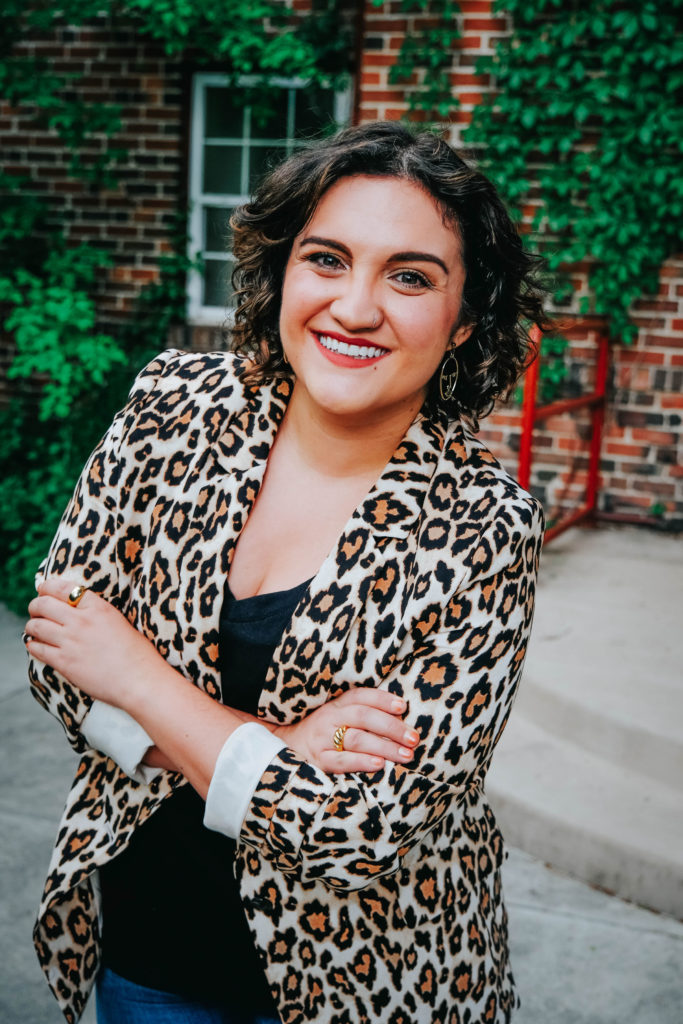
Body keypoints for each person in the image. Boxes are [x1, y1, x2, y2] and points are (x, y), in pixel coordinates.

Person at [25, 121, 546, 1024]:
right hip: (151, 956)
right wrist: (280, 748)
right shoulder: (171, 409)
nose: (354, 306)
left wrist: (144, 682)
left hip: (370, 979)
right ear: (283, 272)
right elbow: (57, 655)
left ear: (463, 321)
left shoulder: (484, 526)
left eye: (410, 276)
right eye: (328, 259)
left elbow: (358, 829)